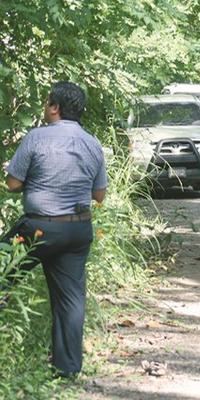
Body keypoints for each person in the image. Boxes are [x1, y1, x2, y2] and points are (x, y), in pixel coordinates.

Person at [1, 81, 108, 377]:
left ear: (54, 107)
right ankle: (67, 369)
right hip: (78, 230)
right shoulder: (92, 143)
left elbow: (12, 184)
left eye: (48, 102)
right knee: (71, 300)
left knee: (1, 271)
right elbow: (99, 196)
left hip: (39, 228)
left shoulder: (37, 137)